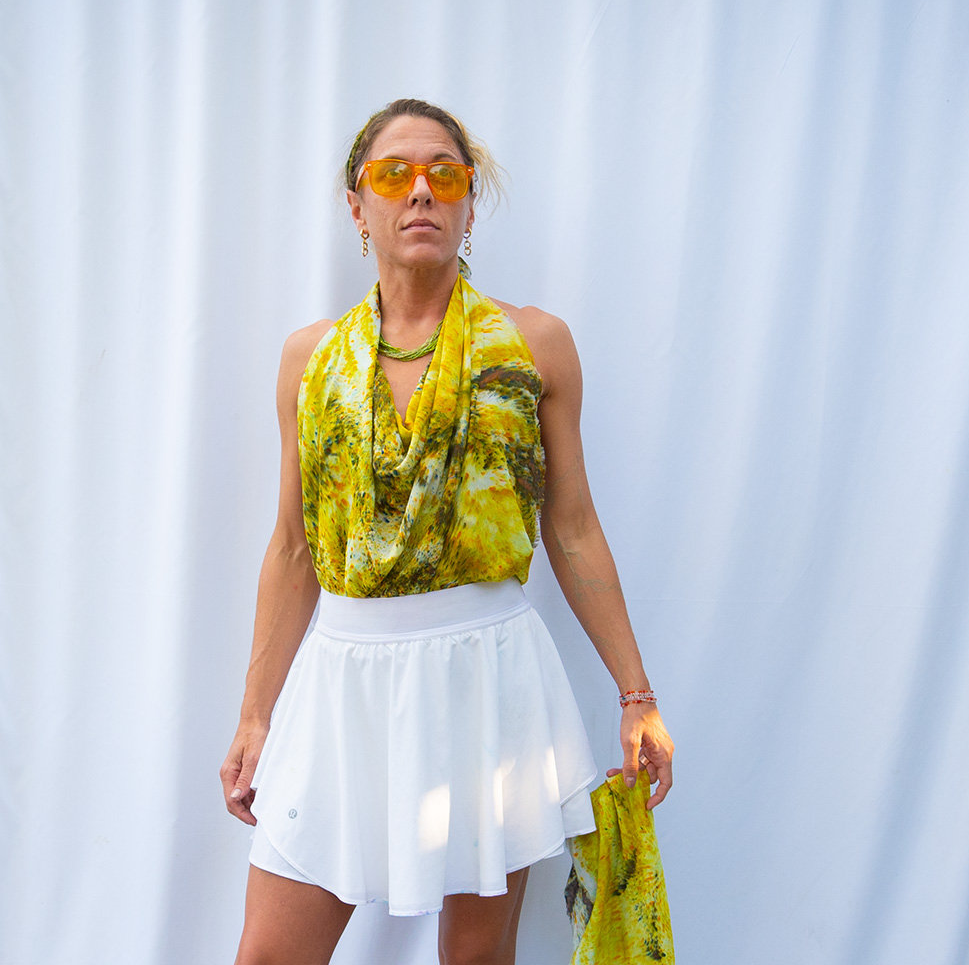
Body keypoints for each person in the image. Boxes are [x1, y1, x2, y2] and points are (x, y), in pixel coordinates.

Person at [220, 98, 674, 965]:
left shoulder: (534, 344)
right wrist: (254, 716)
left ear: (469, 204)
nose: (421, 191)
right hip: (343, 685)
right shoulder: (309, 360)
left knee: (473, 959)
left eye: (446, 175)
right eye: (394, 174)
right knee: (270, 953)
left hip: (487, 679)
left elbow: (573, 527)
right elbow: (292, 546)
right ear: (358, 207)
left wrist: (636, 695)